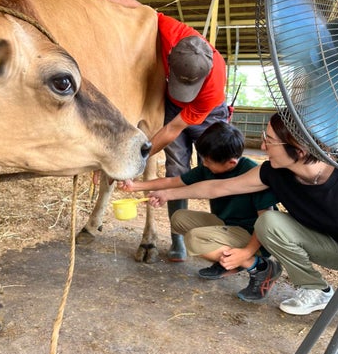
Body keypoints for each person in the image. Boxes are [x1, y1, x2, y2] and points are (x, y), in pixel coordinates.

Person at [147, 111, 338, 315]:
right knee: (269, 222)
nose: (262, 146)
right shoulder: (273, 172)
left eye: (269, 141)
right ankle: (316, 289)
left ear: (299, 150)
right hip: (323, 244)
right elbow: (218, 187)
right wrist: (168, 194)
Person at [102, 0, 229, 263]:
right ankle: (177, 238)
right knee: (177, 168)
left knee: (215, 169)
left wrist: (137, 161)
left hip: (207, 114)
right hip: (172, 106)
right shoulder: (172, 32)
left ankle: (224, 235)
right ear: (171, 56)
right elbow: (138, 7)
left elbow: (173, 130)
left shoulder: (213, 84)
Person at [118, 122, 279, 294]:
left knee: (194, 240)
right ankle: (227, 263)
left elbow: (266, 222)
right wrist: (135, 186)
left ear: (231, 162)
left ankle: (259, 267)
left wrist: (247, 252)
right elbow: (174, 181)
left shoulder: (253, 173)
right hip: (228, 225)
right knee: (179, 218)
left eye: (208, 161)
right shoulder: (209, 168)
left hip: (255, 236)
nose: (205, 164)